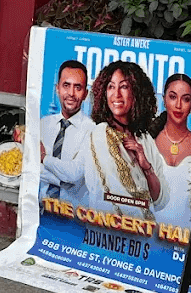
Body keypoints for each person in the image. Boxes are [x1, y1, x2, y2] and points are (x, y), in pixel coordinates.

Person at [46, 59, 166, 219]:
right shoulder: (100, 133)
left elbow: (160, 200)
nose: (116, 94)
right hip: (111, 227)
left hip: (144, 229)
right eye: (111, 87)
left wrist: (146, 167)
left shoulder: (145, 140)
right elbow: (117, 197)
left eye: (124, 87)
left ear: (137, 92)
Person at [151, 72, 191, 232]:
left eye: (185, 99)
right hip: (144, 232)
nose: (178, 105)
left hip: (187, 237)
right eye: (173, 97)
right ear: (164, 99)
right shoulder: (148, 139)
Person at [37, 60, 93, 200]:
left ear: (85, 94)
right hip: (40, 206)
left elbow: (74, 175)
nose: (71, 93)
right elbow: (32, 167)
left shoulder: (93, 130)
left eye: (78, 87)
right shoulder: (43, 124)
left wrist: (44, 158)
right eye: (66, 86)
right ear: (57, 89)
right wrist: (62, 181)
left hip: (73, 211)